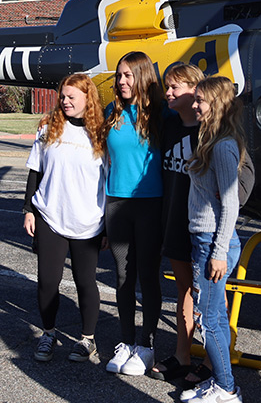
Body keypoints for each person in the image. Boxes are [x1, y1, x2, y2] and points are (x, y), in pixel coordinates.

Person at [152, 65, 255, 388]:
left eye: (175, 87)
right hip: (181, 224)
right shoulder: (174, 127)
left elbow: (239, 185)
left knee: (210, 308)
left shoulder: (216, 137)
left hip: (207, 233)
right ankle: (186, 357)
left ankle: (217, 371)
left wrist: (221, 221)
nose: (169, 93)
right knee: (189, 296)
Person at [23, 74, 107, 363]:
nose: (65, 101)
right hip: (50, 215)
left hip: (88, 221)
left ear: (88, 98)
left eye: (72, 96)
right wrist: (28, 210)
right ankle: (48, 333)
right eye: (63, 96)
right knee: (47, 281)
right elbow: (35, 171)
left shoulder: (102, 133)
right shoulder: (48, 128)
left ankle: (87, 340)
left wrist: (108, 223)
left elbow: (110, 183)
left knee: (85, 281)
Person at [180, 76, 245, 403]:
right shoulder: (211, 140)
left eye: (201, 101)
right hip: (204, 239)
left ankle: (227, 389)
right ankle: (221, 383)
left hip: (212, 243)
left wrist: (218, 253)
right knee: (213, 316)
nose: (195, 105)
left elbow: (231, 203)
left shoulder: (222, 147)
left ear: (216, 104)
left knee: (210, 320)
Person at [103, 51, 165, 376]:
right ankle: (126, 342)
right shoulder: (110, 113)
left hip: (150, 205)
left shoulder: (160, 115)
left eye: (128, 75)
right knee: (123, 277)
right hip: (116, 205)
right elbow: (98, 162)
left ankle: (147, 346)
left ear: (141, 77)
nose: (122, 81)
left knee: (148, 275)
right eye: (119, 75)